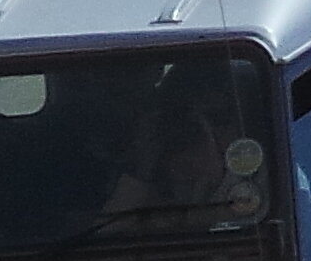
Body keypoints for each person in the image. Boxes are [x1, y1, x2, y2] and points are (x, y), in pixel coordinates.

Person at [98, 97, 265, 237]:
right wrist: (142, 172)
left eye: (194, 136)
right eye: (173, 145)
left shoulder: (254, 188)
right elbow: (104, 234)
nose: (188, 155)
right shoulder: (146, 196)